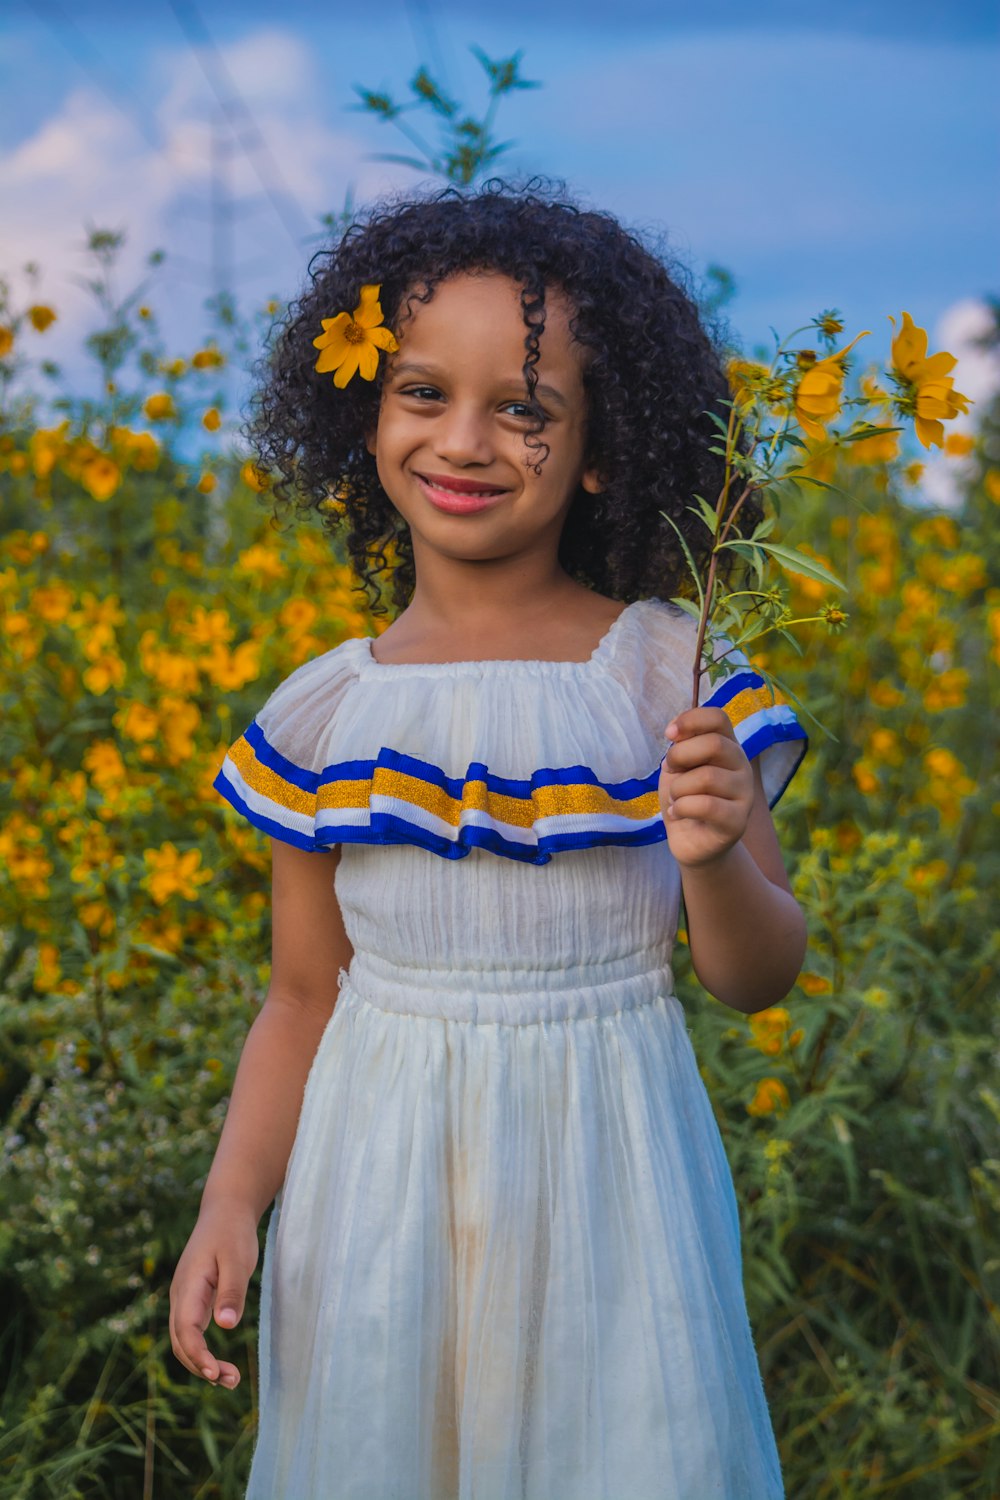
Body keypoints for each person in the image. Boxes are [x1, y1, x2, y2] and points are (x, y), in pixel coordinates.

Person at [170, 176, 809, 1499]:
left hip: (613, 1180)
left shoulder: (669, 674)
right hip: (377, 1192)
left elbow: (758, 978)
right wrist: (233, 1202)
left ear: (603, 447)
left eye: (526, 410)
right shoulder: (332, 706)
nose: (464, 442)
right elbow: (302, 997)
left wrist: (712, 853)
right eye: (422, 393)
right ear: (364, 412)